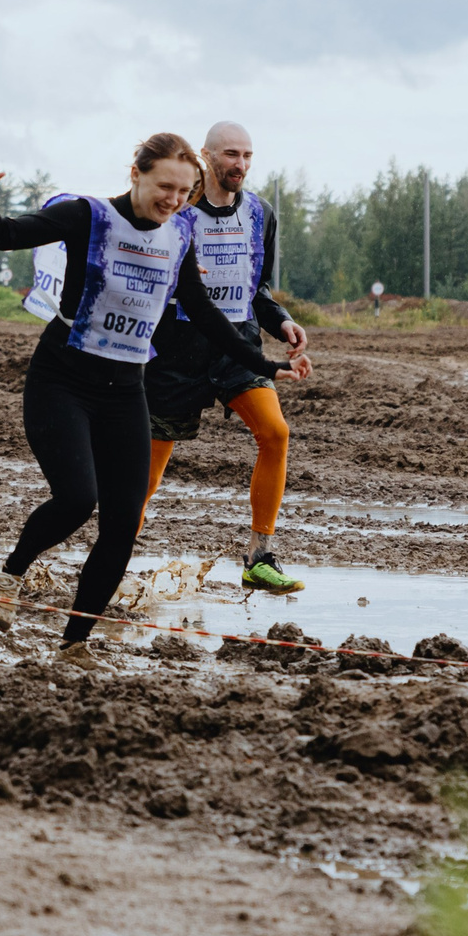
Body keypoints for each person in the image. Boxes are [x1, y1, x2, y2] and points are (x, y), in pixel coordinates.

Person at [0, 134, 312, 664]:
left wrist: (265, 365)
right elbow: (1, 235)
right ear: (135, 174)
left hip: (125, 388)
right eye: (165, 187)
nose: (174, 200)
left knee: (124, 522)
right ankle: (10, 570)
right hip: (62, 380)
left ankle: (75, 644)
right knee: (79, 499)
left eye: (185, 192)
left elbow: (208, 313)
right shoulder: (89, 217)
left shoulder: (177, 238)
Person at [138, 120, 311, 591]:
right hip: (176, 352)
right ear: (207, 156)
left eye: (248, 156)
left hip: (237, 347)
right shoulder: (177, 208)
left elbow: (260, 289)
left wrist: (281, 321)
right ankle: (112, 558)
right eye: (232, 154)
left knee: (275, 432)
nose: (241, 164)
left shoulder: (261, 213)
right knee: (148, 472)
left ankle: (260, 556)